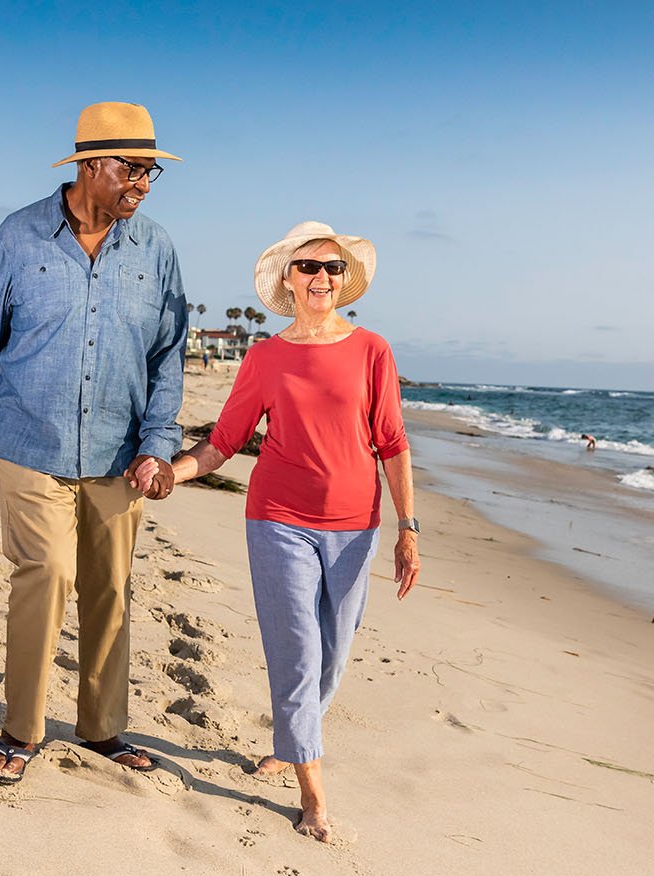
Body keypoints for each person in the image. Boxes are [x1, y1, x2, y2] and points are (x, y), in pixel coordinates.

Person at [0, 101, 187, 785]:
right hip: (29, 442)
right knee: (45, 574)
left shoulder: (156, 249)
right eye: (132, 169)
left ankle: (102, 729)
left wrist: (158, 442)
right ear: (90, 166)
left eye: (151, 172)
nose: (143, 184)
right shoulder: (19, 237)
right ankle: (20, 728)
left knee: (110, 589)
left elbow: (168, 358)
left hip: (121, 452)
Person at [164, 221, 420, 843]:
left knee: (334, 654)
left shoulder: (372, 350)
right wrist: (172, 473)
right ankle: (313, 793)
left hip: (357, 527)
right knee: (298, 654)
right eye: (308, 267)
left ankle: (290, 740)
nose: (322, 278)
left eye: (332, 268)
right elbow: (225, 442)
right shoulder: (265, 357)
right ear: (288, 279)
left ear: (344, 279)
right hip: (278, 520)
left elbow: (391, 442)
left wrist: (408, 528)